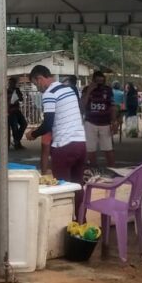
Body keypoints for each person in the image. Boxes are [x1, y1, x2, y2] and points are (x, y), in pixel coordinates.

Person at [27, 64, 86, 209]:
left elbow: (48, 124)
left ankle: (65, 225)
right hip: (81, 144)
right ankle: (80, 222)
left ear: (40, 79)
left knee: (62, 190)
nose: (37, 88)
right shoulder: (70, 89)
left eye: (36, 84)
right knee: (78, 186)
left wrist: (32, 134)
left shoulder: (49, 93)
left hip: (64, 147)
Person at [81, 70, 116, 169]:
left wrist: (114, 121)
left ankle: (112, 169)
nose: (100, 84)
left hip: (105, 123)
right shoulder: (87, 89)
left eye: (102, 81)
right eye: (97, 81)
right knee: (90, 149)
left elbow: (112, 106)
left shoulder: (108, 90)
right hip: (90, 122)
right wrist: (89, 90)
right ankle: (93, 169)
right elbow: (82, 105)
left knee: (108, 148)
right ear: (93, 81)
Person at [7, 76, 27, 149]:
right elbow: (7, 102)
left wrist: (18, 94)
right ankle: (17, 143)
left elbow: (21, 99)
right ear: (9, 84)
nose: (12, 85)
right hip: (10, 111)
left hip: (17, 110)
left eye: (14, 83)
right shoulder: (6, 91)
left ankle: (17, 140)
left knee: (24, 124)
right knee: (14, 127)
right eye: (11, 83)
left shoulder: (17, 90)